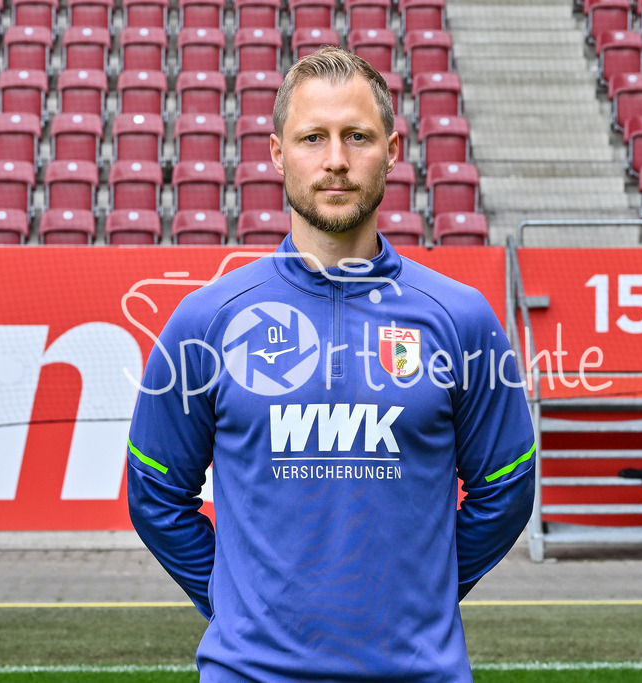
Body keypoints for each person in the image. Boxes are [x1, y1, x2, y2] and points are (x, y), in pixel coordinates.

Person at [127, 46, 536, 682]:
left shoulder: (461, 318)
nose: (337, 160)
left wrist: (419, 596)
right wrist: (236, 604)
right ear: (276, 153)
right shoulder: (206, 320)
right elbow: (155, 494)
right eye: (313, 137)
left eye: (358, 137)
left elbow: (506, 487)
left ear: (393, 151)